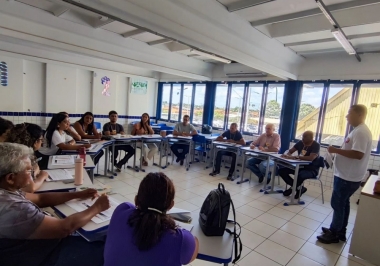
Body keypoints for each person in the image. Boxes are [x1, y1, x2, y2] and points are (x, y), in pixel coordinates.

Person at [0, 142, 110, 266]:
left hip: (26, 247)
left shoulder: (6, 190)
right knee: (103, 246)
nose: (32, 177)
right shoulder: (15, 208)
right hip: (38, 255)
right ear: (10, 178)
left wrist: (77, 195)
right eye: (28, 171)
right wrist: (97, 207)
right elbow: (64, 228)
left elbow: (40, 198)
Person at [104, 172, 198, 266]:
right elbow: (195, 247)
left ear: (136, 199)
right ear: (171, 205)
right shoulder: (182, 240)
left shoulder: (121, 211)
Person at [317, 105, 372, 244]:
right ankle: (340, 231)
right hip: (346, 175)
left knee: (338, 203)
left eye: (349, 113)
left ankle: (334, 233)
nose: (347, 116)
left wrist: (335, 151)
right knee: (343, 203)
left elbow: (358, 154)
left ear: (359, 115)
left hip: (347, 177)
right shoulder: (357, 131)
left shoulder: (361, 132)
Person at [6, 123, 49, 192]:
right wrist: (42, 176)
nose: (42, 143)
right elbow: (31, 188)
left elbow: (36, 167)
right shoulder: (21, 157)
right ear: (35, 142)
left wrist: (32, 173)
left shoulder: (27, 153)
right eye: (41, 140)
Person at [278, 131, 320, 199]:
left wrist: (296, 157)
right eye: (302, 138)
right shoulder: (300, 142)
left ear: (311, 139)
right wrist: (286, 155)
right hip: (299, 166)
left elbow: (311, 158)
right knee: (281, 171)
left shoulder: (316, 145)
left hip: (311, 169)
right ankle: (300, 188)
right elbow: (290, 151)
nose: (303, 140)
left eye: (304, 139)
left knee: (300, 175)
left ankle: (292, 189)